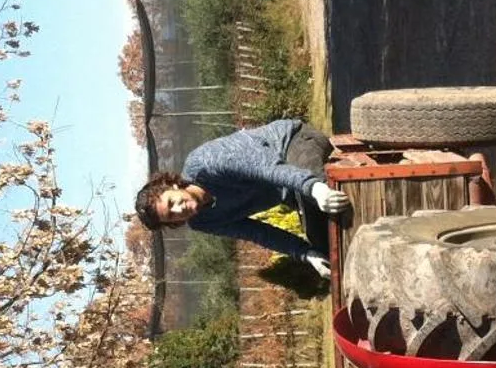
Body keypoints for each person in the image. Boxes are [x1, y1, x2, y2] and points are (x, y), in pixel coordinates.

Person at [134, 117, 350, 276]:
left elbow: (265, 167)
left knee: (324, 200)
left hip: (292, 145)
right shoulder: (203, 221)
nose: (178, 209)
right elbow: (257, 233)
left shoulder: (203, 163)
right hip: (293, 192)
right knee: (326, 249)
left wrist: (313, 188)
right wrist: (304, 253)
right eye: (171, 215)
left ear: (172, 185)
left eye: (171, 202)